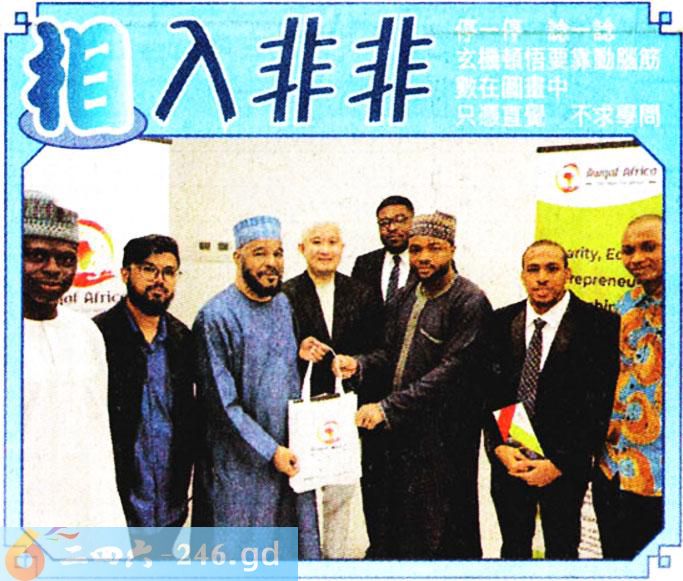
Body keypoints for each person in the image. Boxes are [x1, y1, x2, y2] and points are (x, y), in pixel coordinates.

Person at [335, 211, 491, 559]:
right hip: (400, 435)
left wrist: (387, 408)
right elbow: (388, 354)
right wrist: (358, 365)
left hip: (443, 440)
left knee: (442, 532)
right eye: (416, 249)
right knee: (398, 527)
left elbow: (451, 373)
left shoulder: (469, 300)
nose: (423, 257)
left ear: (451, 250)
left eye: (434, 248)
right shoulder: (406, 296)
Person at [192, 215, 320, 559]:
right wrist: (270, 451)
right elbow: (222, 406)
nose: (271, 263)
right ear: (238, 257)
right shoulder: (215, 317)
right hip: (240, 466)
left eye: (278, 253)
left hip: (288, 458)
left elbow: (278, 374)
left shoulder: (283, 305)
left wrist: (302, 354)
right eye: (260, 253)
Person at [485, 240, 619, 559]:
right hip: (511, 462)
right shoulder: (500, 321)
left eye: (552, 269)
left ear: (568, 273)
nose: (542, 278)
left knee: (562, 550)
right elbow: (490, 392)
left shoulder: (599, 325)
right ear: (523, 276)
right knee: (513, 550)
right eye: (533, 270)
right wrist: (500, 447)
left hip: (564, 468)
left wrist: (559, 464)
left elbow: (600, 405)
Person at [22, 191, 125, 526]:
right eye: (37, 256)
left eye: (66, 259)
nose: (53, 269)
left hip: (79, 514)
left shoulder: (85, 333)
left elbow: (98, 440)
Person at [283, 222, 382, 559]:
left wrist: (357, 363)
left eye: (332, 242)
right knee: (302, 494)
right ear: (302, 249)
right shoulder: (285, 295)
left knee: (340, 493)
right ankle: (304, 562)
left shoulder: (362, 293)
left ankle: (334, 565)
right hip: (301, 411)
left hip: (344, 412)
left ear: (342, 248)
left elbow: (382, 351)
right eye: (316, 242)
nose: (324, 250)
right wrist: (297, 351)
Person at [94, 235, 194, 536]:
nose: (159, 280)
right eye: (149, 269)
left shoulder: (183, 339)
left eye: (169, 272)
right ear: (125, 273)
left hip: (169, 506)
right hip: (117, 506)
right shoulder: (98, 335)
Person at [593, 215, 663, 559]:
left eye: (649, 247)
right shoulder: (627, 303)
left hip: (663, 479)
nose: (636, 258)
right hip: (614, 468)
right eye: (628, 250)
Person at [351, 196, 416, 304]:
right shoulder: (364, 263)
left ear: (413, 221)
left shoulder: (425, 261)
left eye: (399, 220)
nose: (392, 228)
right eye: (384, 223)